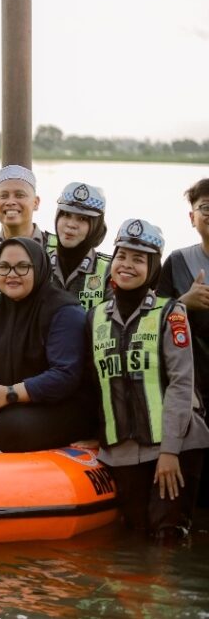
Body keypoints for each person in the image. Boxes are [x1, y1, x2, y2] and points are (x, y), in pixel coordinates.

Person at [88, 218, 209, 540]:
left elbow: (183, 384)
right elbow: (93, 383)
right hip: (122, 449)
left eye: (138, 259)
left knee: (168, 536)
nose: (127, 265)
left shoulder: (172, 314)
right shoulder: (95, 317)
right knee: (135, 536)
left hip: (176, 446)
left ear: (153, 266)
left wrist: (170, 451)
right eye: (122, 256)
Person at [0, 237, 94, 452]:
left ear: (39, 268)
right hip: (5, 395)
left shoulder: (64, 311)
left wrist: (9, 394)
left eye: (22, 267)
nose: (12, 274)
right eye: (4, 267)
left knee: (9, 428)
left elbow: (65, 376)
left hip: (58, 403)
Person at [157, 178, 209, 507]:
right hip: (193, 386)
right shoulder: (177, 262)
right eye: (205, 208)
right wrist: (182, 304)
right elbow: (151, 319)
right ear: (192, 217)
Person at [0, 165, 58, 270]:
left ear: (36, 202)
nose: (10, 202)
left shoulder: (58, 248)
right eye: (4, 196)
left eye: (19, 195)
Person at [51, 182, 112, 310]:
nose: (71, 224)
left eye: (82, 219)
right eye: (66, 215)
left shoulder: (109, 271)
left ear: (96, 226)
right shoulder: (39, 263)